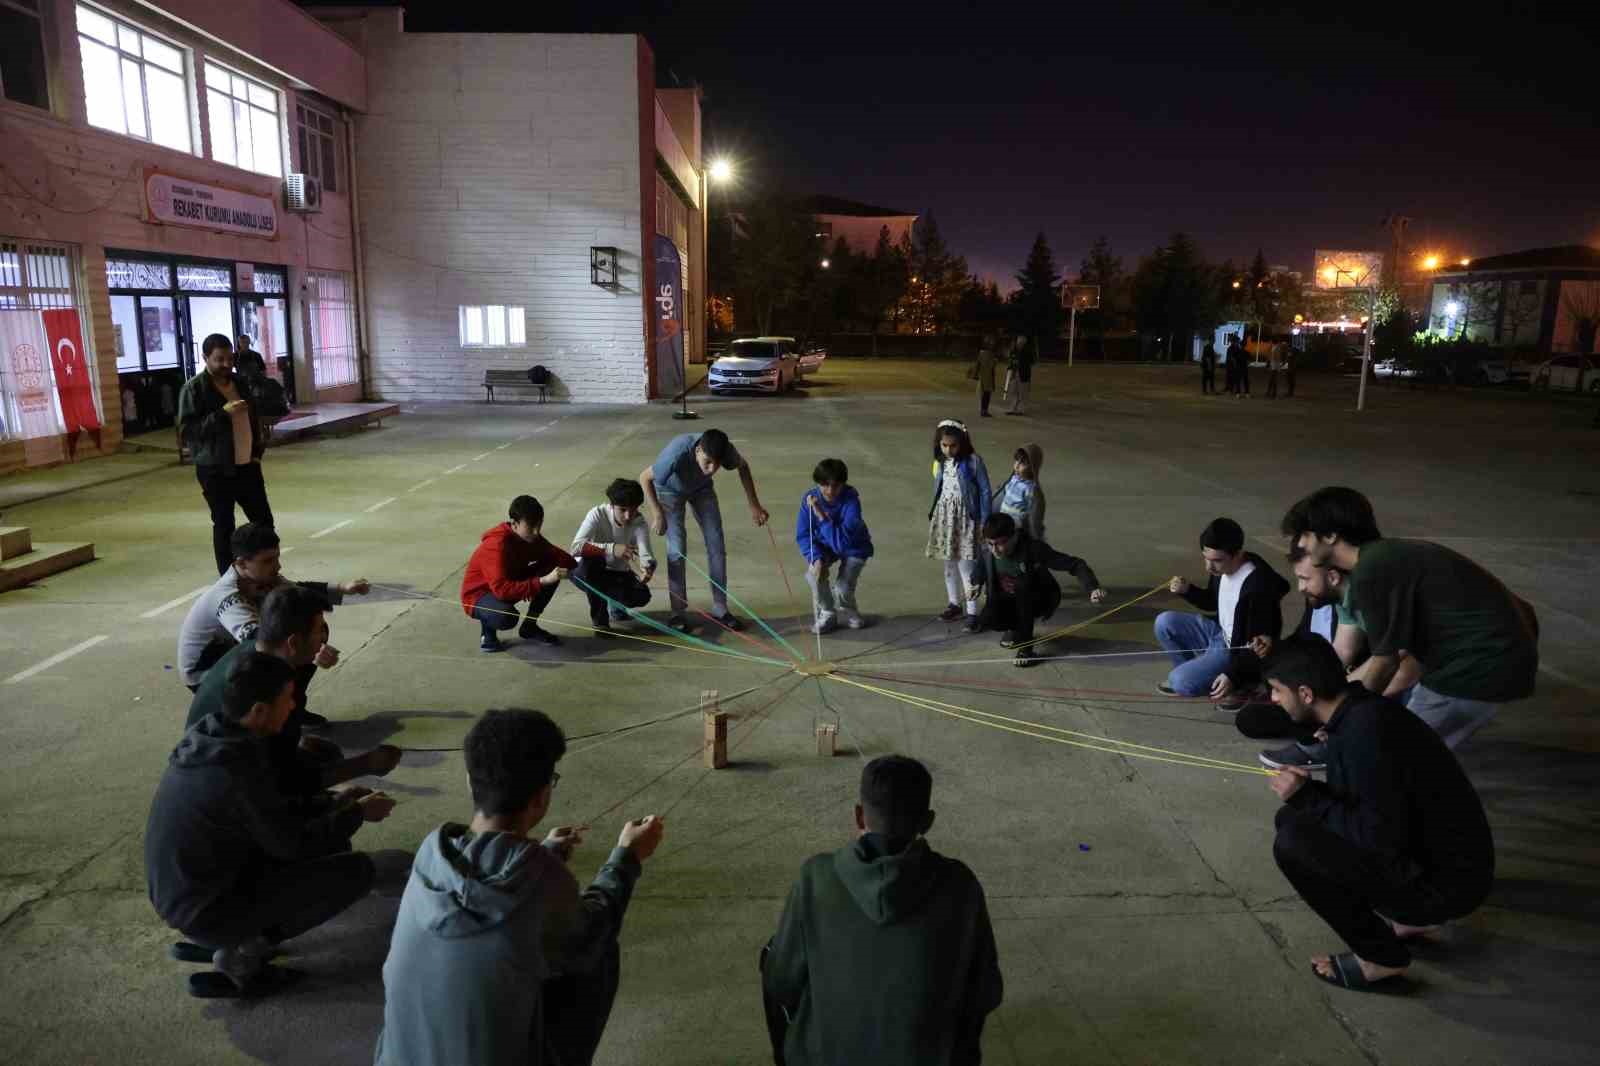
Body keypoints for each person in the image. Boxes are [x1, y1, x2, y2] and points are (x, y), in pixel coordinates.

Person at [374, 708, 664, 1066]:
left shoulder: (432, 855)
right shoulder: (540, 877)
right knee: (599, 952)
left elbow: (481, 884)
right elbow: (593, 929)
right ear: (542, 797)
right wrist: (627, 856)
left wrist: (543, 852)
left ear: (469, 780)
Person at [145, 650, 395, 998]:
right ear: (260, 711)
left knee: (330, 838)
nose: (293, 707)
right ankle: (243, 952)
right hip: (204, 906)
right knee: (360, 870)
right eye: (287, 700)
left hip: (187, 890)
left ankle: (234, 937)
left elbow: (274, 811)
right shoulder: (234, 770)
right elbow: (293, 844)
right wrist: (356, 814)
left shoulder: (216, 737)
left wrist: (335, 802)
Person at [1263, 636, 1494, 993]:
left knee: (1294, 843)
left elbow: (1380, 837)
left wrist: (1308, 796)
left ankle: (1381, 959)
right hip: (1436, 860)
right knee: (1292, 821)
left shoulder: (1364, 733)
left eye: (1277, 690)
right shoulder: (1357, 710)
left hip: (1446, 884)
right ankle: (1409, 919)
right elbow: (1369, 807)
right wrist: (1307, 798)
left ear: (1306, 694)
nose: (1273, 699)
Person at [762, 754, 1003, 1065]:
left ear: (859, 816)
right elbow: (985, 992)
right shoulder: (960, 885)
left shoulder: (815, 877)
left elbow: (781, 982)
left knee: (772, 953)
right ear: (927, 822)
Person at [1282, 486, 1538, 749]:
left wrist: (1342, 717)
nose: (1300, 544)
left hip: (1476, 666)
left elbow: (1385, 663)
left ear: (1331, 535)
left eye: (1305, 535)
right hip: (1491, 658)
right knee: (1398, 748)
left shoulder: (1373, 570)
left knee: (1394, 754)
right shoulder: (1383, 557)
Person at [185, 584, 402, 796]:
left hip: (201, 762)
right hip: (222, 790)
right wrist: (366, 765)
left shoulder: (251, 653)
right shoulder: (271, 687)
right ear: (294, 642)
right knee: (331, 798)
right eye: (319, 632)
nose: (323, 640)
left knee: (322, 753)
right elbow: (285, 784)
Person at [176, 521, 368, 728]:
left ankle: (291, 708)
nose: (277, 566)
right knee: (278, 653)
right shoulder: (228, 597)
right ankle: (276, 719)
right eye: (268, 560)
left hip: (233, 653)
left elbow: (297, 594)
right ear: (241, 563)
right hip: (205, 672)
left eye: (277, 557)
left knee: (310, 627)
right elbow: (257, 640)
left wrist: (342, 588)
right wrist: (315, 648)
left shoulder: (264, 578)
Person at [640, 428, 770, 633]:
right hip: (670, 491)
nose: (711, 469)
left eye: (717, 465)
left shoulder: (724, 449)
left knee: (716, 545)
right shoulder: (676, 453)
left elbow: (743, 467)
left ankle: (720, 608)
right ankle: (677, 613)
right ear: (698, 450)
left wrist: (754, 505)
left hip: (702, 490)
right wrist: (657, 513)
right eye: (708, 462)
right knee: (677, 550)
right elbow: (645, 477)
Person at [1241, 545, 1356, 771]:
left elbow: (1345, 659)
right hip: (1309, 685)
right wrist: (1276, 646)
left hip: (1330, 690)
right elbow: (1303, 639)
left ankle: (1323, 742)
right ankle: (1314, 727)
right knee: (1249, 718)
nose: (1300, 588)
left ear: (1332, 577)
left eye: (1305, 579)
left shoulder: (1354, 610)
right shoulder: (1316, 598)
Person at [1155, 517, 1289, 701]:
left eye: (1216, 560)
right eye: (1205, 558)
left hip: (1234, 650)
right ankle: (1196, 671)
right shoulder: (1222, 569)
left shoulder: (1258, 588)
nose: (1209, 567)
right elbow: (1212, 601)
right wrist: (1188, 591)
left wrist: (1233, 675)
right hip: (1218, 634)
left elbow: (1257, 648)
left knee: (1179, 681)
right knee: (1164, 622)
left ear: (1238, 554)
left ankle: (1245, 686)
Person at [179, 333, 273, 575]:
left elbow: (253, 418)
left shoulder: (240, 383)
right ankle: (228, 581)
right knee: (224, 525)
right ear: (205, 358)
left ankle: (267, 571)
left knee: (264, 522)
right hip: (216, 470)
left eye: (229, 359)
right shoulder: (194, 390)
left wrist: (256, 452)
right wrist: (222, 413)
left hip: (247, 465)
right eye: (219, 359)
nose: (226, 364)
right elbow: (188, 431)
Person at [977, 513, 1105, 667]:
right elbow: (982, 567)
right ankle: (1016, 630)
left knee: (1021, 587)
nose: (995, 550)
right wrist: (974, 583)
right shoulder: (989, 552)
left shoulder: (1034, 548)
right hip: (1009, 599)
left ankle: (1026, 649)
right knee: (988, 618)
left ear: (1014, 536)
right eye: (990, 544)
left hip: (1038, 597)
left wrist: (1092, 587)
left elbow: (1075, 564)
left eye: (1000, 543)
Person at [461, 495, 575, 652]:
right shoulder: (496, 545)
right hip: (479, 595)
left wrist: (576, 569)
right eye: (531, 526)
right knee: (506, 616)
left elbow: (555, 553)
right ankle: (487, 633)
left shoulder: (530, 536)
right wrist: (541, 581)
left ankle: (529, 626)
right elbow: (501, 590)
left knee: (552, 565)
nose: (536, 532)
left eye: (539, 525)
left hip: (508, 582)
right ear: (514, 524)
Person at [926, 419, 991, 633]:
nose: (948, 449)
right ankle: (954, 604)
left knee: (967, 567)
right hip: (945, 519)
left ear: (962, 443)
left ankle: (973, 613)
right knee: (949, 564)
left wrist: (984, 519)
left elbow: (984, 491)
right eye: (944, 445)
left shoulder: (973, 461)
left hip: (967, 519)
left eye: (953, 445)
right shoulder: (941, 462)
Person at [796, 458, 874, 634]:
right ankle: (828, 612)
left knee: (842, 588)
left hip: (854, 545)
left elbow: (840, 544)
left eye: (836, 486)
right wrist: (815, 558)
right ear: (817, 483)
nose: (830, 491)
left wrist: (821, 514)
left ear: (843, 484)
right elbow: (803, 535)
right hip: (825, 545)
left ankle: (848, 608)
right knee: (813, 575)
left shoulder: (852, 501)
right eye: (825, 485)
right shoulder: (808, 499)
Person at [570, 478, 657, 636]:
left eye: (633, 509)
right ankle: (600, 621)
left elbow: (645, 552)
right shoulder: (597, 514)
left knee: (641, 595)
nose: (628, 515)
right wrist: (611, 548)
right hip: (584, 571)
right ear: (611, 505)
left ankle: (615, 605)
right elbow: (575, 548)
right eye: (622, 509)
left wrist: (647, 567)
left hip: (615, 572)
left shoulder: (639, 522)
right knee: (593, 564)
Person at [994, 443, 1045, 541]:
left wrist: (1035, 536)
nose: (1017, 466)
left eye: (1023, 463)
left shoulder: (1031, 489)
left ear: (1032, 467)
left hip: (1015, 528)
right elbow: (1000, 495)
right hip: (1002, 521)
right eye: (1016, 461)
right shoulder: (1013, 479)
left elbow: (1034, 516)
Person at [1004, 334, 1034, 415]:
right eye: (1018, 343)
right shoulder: (1014, 351)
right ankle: (1012, 408)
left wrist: (1020, 362)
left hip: (1023, 374)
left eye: (1020, 343)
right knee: (1013, 391)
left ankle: (1021, 409)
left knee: (1023, 393)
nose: (1018, 344)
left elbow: (1031, 361)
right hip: (1014, 373)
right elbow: (1010, 360)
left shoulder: (1027, 351)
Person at [971, 334, 999, 417]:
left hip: (985, 376)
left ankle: (984, 409)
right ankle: (984, 410)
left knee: (985, 393)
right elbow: (988, 365)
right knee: (986, 394)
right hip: (986, 376)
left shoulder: (984, 353)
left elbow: (977, 365)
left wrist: (975, 374)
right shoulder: (987, 354)